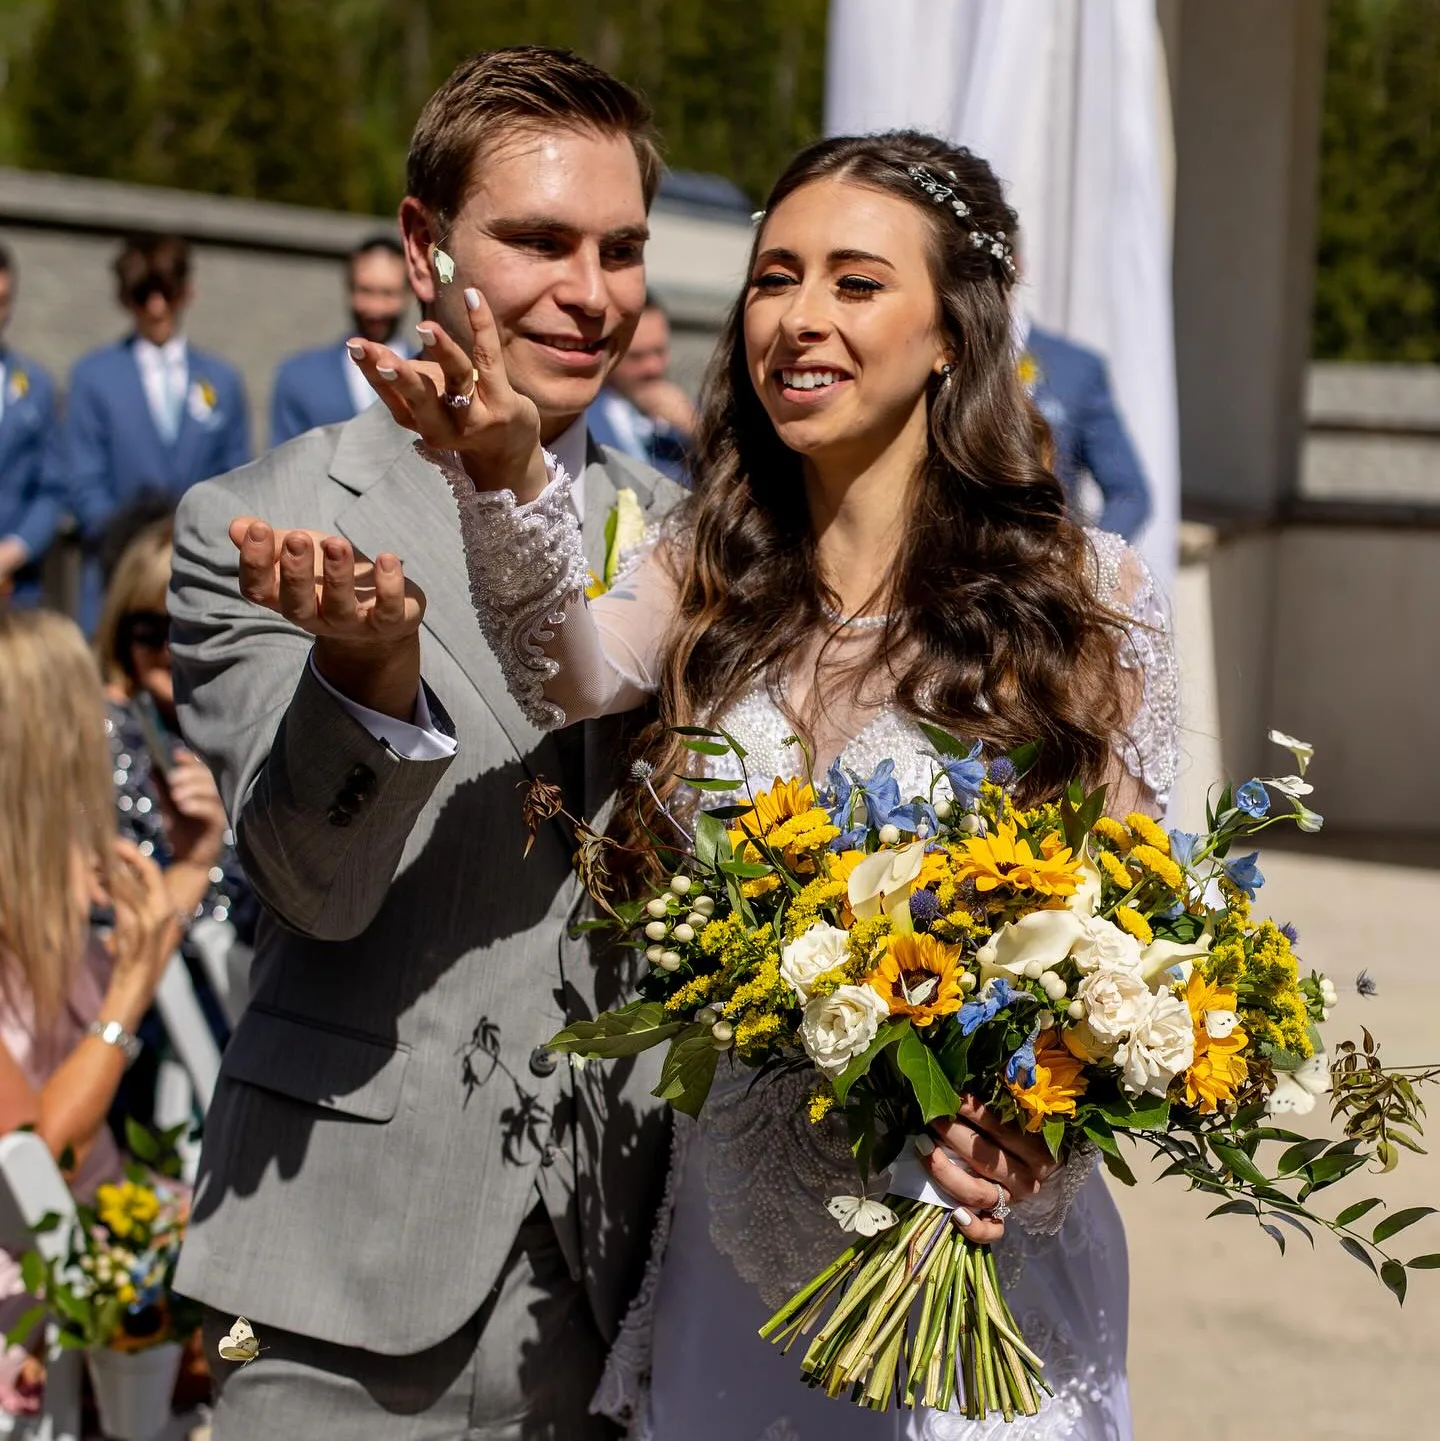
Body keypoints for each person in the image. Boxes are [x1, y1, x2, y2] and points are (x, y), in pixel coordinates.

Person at [269, 132, 1179, 1437]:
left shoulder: (1080, 602)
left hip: (971, 1263)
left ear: (950, 336)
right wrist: (507, 469)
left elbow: (1130, 943)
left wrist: (1030, 1130)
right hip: (733, 1259)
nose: (800, 318)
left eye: (855, 283)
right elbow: (562, 671)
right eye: (774, 278)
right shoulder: (710, 563)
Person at [167, 46, 685, 1440]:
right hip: (344, 1276)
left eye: (621, 248)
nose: (589, 292)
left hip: (629, 1289)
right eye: (538, 240)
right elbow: (306, 887)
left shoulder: (694, 539)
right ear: (423, 247)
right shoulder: (256, 518)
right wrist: (369, 673)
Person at [0, 608, 180, 1417]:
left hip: (104, 1231)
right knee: (252, 1322)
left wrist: (201, 852)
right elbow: (38, 1157)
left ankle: (200, 1392)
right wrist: (125, 998)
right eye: (87, 721)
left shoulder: (45, 886)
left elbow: (156, 938)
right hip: (43, 1270)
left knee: (266, 1303)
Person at [95, 516, 252, 1072]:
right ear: (120, 633)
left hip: (244, 987)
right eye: (148, 629)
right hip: (162, 1011)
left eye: (190, 626)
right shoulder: (109, 732)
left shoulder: (252, 721)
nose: (169, 648)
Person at [62, 235, 250, 627]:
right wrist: (142, 554)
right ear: (124, 298)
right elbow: (84, 484)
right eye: (142, 294)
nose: (156, 307)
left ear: (188, 292)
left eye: (167, 292)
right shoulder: (92, 377)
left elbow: (236, 478)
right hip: (116, 579)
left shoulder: (223, 380)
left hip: (201, 579)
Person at [269, 235, 413, 447]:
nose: (375, 308)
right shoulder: (299, 378)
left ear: (409, 294)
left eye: (388, 293)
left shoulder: (431, 377)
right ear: (348, 289)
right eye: (365, 291)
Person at [1019, 315, 1151, 541]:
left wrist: (1088, 557)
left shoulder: (1073, 368)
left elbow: (1128, 493)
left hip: (1045, 559)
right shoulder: (946, 350)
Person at [0, 244, 63, 605]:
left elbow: (52, 488)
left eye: (3, 301)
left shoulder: (35, 386)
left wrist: (14, 550)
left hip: (16, 590)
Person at [586, 291, 695, 481]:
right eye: (637, 356)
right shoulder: (583, 421)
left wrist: (697, 430)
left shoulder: (692, 418)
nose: (653, 367)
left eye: (659, 352)